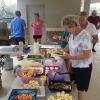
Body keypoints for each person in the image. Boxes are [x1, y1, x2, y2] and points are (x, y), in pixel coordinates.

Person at [61, 15, 92, 100]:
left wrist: (69, 56)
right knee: (73, 82)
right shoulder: (72, 34)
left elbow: (87, 55)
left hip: (83, 67)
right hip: (74, 64)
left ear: (73, 25)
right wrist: (60, 52)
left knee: (80, 89)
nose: (66, 30)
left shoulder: (84, 35)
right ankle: (72, 97)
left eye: (67, 28)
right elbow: (69, 45)